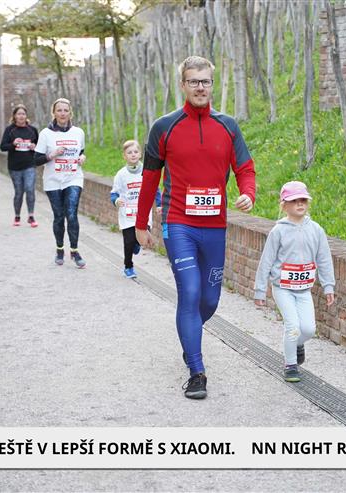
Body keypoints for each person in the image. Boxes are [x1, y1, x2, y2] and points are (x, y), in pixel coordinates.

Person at [135, 55, 256, 399]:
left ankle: (189, 335)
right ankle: (196, 371)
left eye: (205, 81)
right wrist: (141, 223)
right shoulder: (164, 127)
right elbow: (150, 179)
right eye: (193, 81)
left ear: (211, 84)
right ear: (183, 85)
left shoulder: (228, 126)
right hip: (179, 223)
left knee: (209, 299)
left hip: (215, 226)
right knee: (189, 292)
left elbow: (245, 168)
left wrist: (247, 193)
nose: (200, 87)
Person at [254, 181, 335, 382]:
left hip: (304, 289)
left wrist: (328, 286)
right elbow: (266, 261)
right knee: (292, 326)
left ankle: (297, 344)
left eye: (303, 200)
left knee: (308, 329)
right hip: (283, 288)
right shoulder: (278, 231)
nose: (300, 204)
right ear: (284, 205)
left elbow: (324, 259)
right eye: (294, 200)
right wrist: (260, 290)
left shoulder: (316, 230)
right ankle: (290, 365)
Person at [33, 98, 87, 268]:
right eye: (59, 110)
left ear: (70, 112)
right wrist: (52, 154)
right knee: (59, 216)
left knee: (71, 214)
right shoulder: (46, 134)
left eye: (65, 110)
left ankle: (75, 251)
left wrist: (82, 157)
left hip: (73, 178)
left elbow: (81, 151)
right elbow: (36, 160)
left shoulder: (78, 132)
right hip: (53, 180)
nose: (63, 113)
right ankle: (59, 249)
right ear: (54, 113)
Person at [110, 140, 161, 279]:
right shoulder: (121, 175)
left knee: (141, 238)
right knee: (128, 242)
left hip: (144, 214)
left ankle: (137, 244)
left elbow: (155, 189)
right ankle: (128, 267)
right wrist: (116, 200)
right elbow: (114, 193)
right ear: (124, 156)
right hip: (127, 215)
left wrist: (159, 204)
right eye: (129, 152)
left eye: (135, 152)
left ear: (140, 154)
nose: (133, 154)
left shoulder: (147, 171)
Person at [0, 104, 39, 227]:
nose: (21, 116)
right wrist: (13, 144)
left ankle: (31, 216)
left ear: (26, 116)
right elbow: (2, 147)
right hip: (15, 167)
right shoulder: (10, 130)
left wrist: (34, 147)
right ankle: (17, 216)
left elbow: (39, 147)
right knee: (19, 192)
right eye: (19, 114)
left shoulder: (32, 130)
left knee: (30, 189)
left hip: (30, 165)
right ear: (15, 116)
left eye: (23, 114)